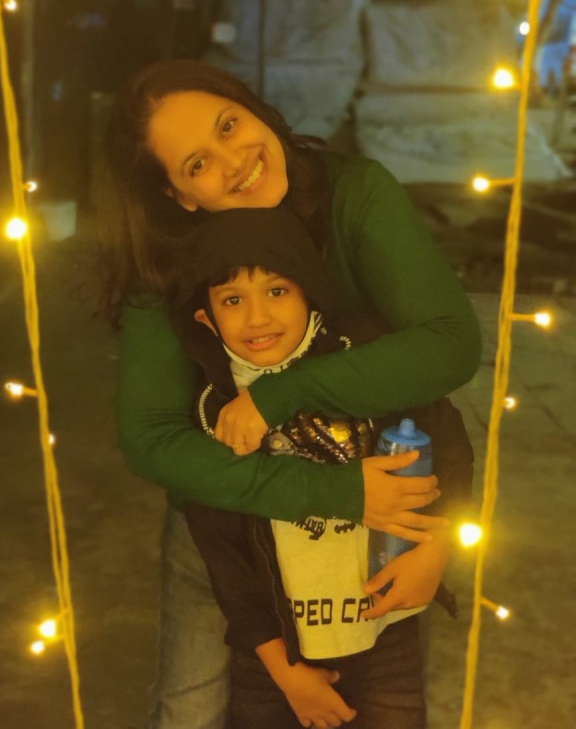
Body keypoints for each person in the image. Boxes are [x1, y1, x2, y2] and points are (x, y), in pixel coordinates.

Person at [100, 59, 482, 728]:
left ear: (253, 108)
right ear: (178, 196)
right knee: (190, 710)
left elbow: (448, 349)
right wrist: (332, 492)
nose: (235, 161)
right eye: (197, 164)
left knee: (383, 702)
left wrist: (281, 396)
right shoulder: (166, 258)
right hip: (230, 523)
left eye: (229, 126)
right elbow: (152, 439)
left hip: (380, 519)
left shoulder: (351, 195)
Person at [172, 205, 473, 729]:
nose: (258, 317)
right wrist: (283, 670)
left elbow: (448, 442)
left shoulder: (365, 360)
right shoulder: (213, 415)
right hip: (278, 656)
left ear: (309, 293)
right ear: (207, 318)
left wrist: (438, 545)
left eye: (277, 290)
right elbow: (224, 556)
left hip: (386, 635)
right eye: (233, 299)